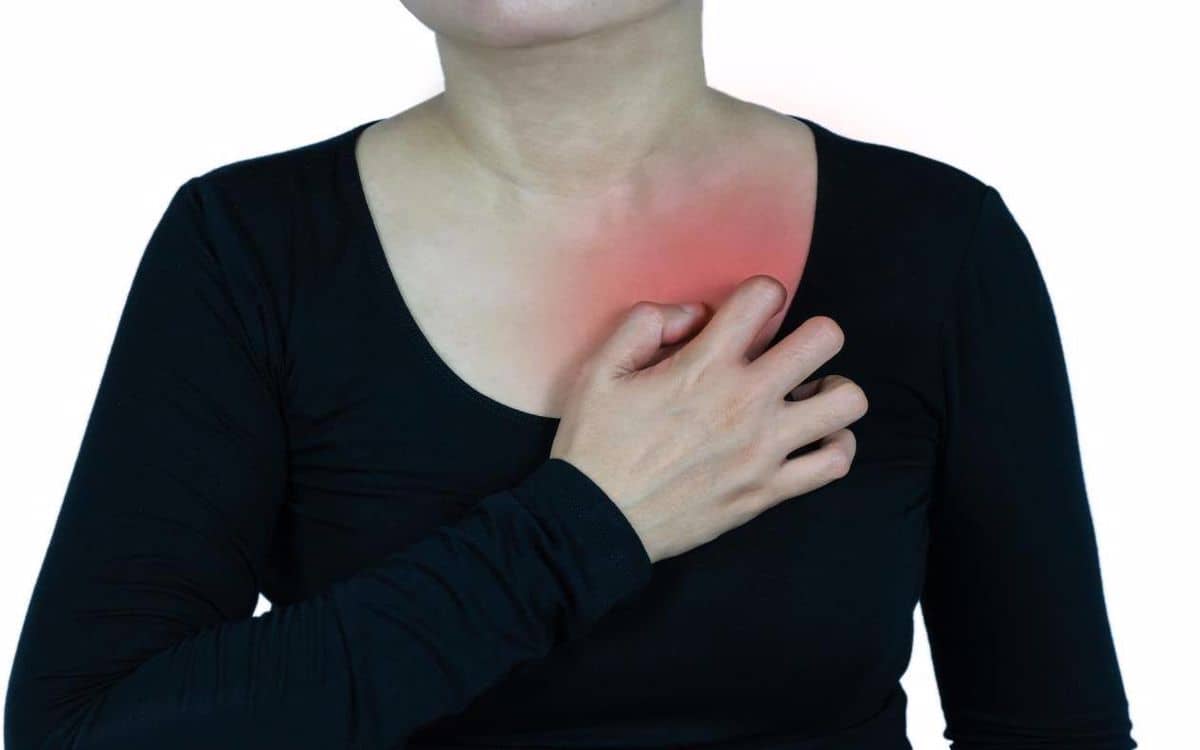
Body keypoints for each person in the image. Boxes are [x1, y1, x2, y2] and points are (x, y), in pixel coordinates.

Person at [4, 1, 1136, 748]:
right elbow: (79, 734)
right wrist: (584, 525)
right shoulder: (246, 250)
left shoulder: (937, 248)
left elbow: (1050, 729)